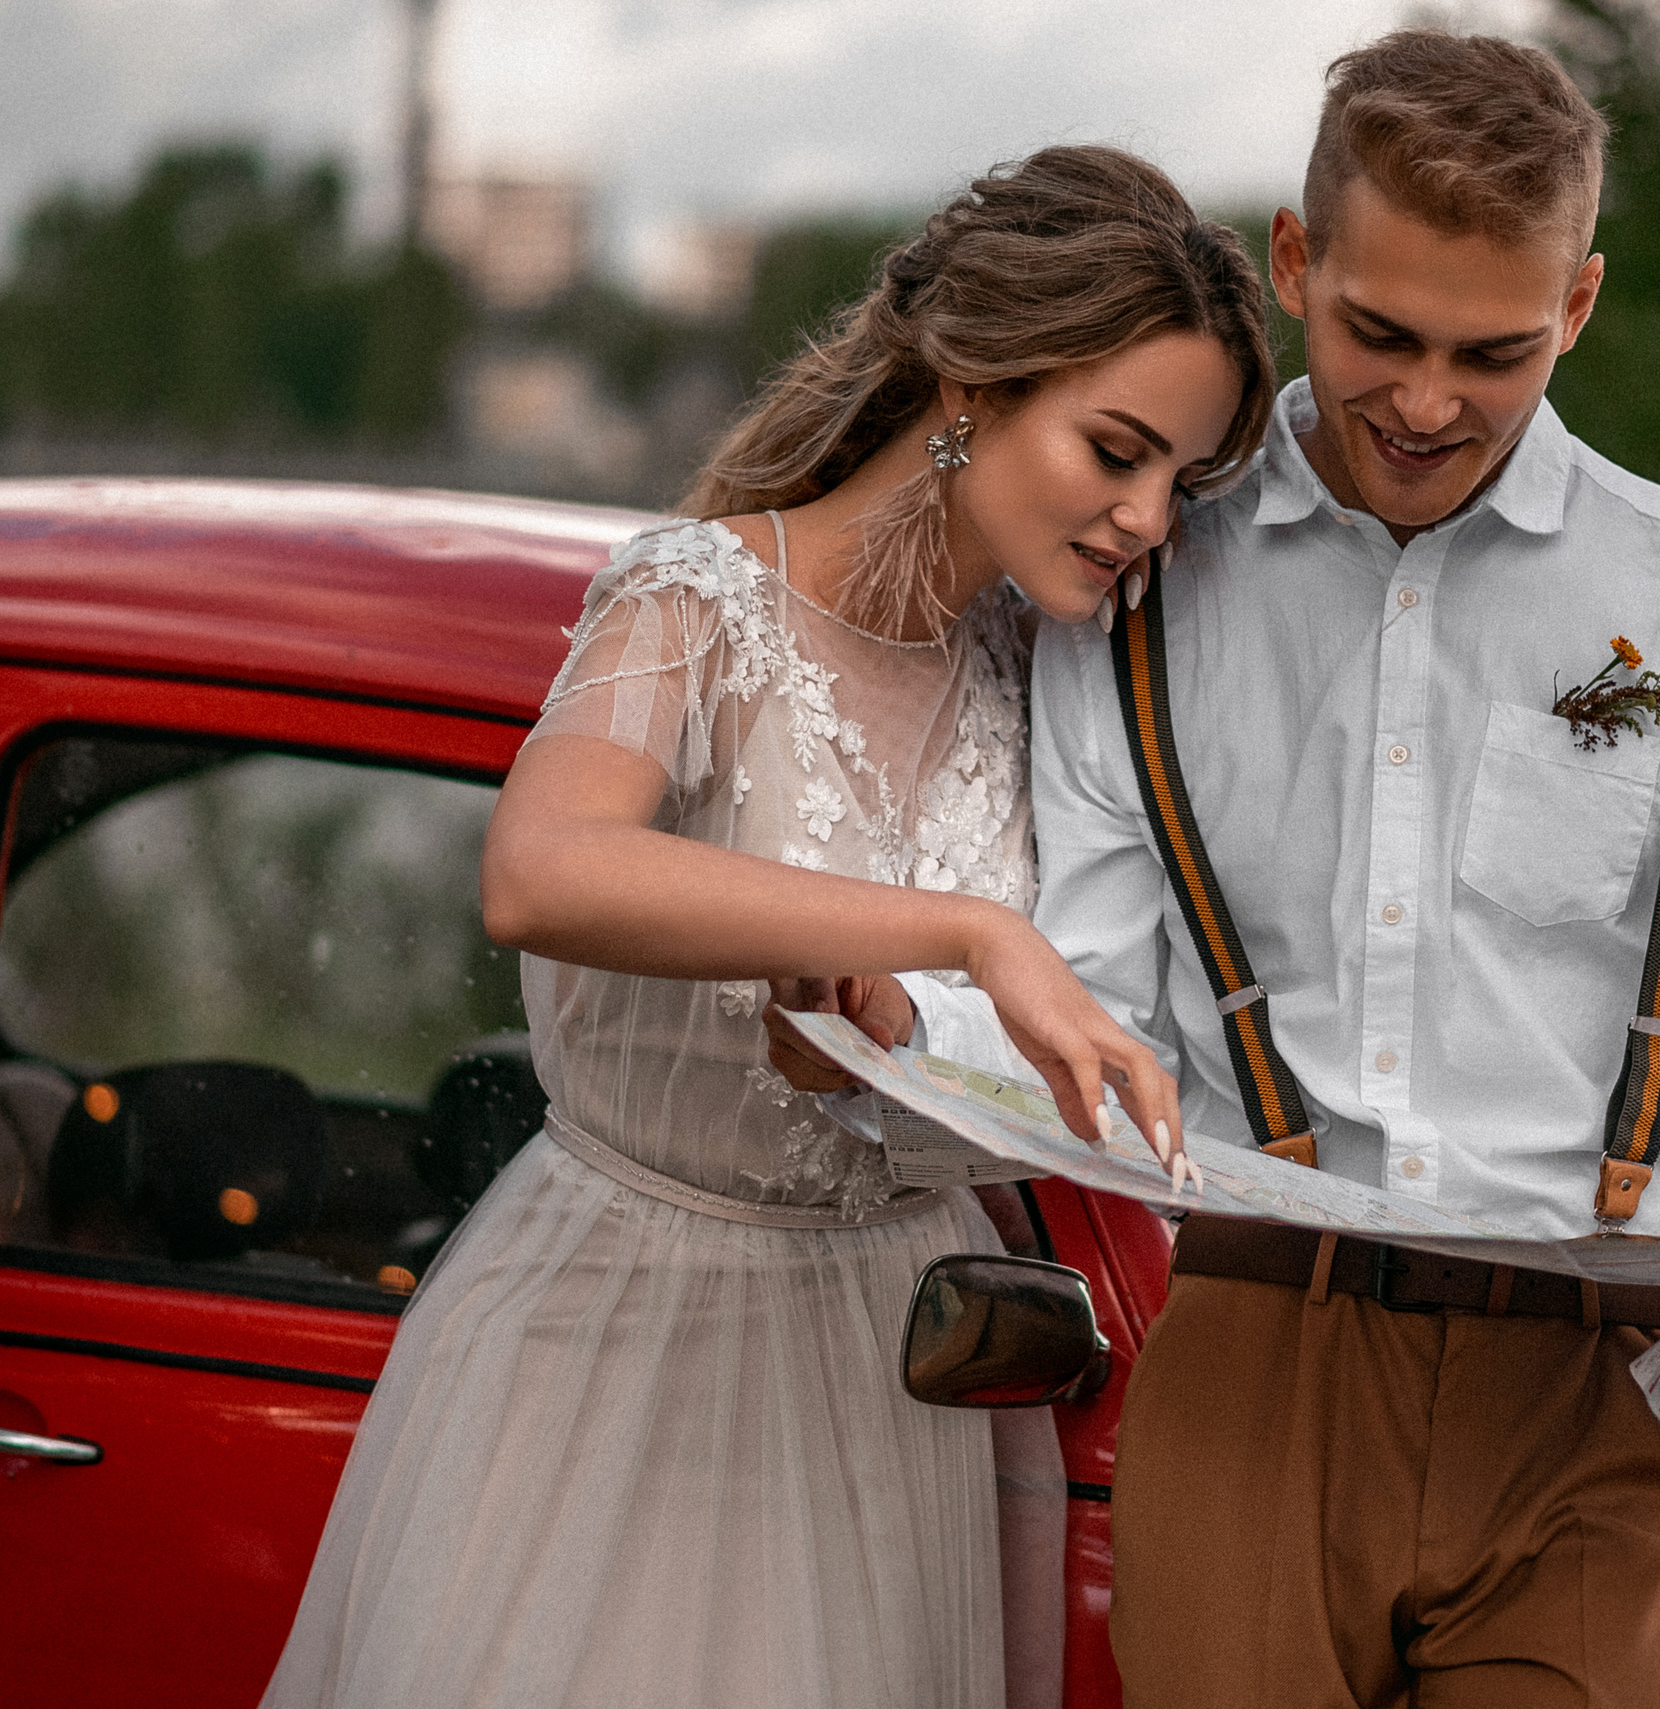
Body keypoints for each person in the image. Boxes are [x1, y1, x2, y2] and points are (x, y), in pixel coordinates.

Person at [775, 30, 1660, 1709]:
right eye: (1378, 334)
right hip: (1262, 1346)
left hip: (1611, 1388)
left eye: (1492, 351)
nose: (1426, 403)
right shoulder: (1144, 581)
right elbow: (1093, 991)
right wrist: (897, 1028)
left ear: (1579, 304)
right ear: (1295, 260)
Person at [257, 144, 1267, 1709]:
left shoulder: (1047, 674)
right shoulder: (696, 596)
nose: (1146, 518)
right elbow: (540, 868)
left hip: (893, 1377)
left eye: (1179, 482)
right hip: (617, 1338)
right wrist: (968, 935)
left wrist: (898, 1032)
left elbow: (1059, 1052)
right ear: (969, 380)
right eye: (1117, 449)